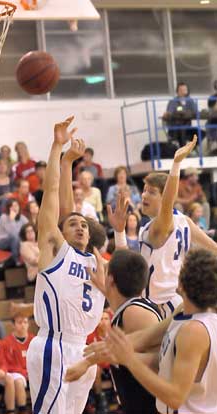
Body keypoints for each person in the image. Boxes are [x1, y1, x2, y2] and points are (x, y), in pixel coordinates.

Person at [26, 117, 105, 414]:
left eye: (84, 224)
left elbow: (70, 209)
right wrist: (58, 148)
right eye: (73, 224)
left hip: (83, 350)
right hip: (53, 346)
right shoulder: (56, 251)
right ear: (60, 231)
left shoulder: (94, 261)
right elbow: (53, 197)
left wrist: (71, 161)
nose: (81, 227)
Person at [110, 137, 217, 318]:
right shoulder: (184, 221)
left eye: (151, 192)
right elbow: (214, 248)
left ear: (165, 196)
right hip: (175, 301)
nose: (144, 195)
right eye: (144, 190)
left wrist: (176, 164)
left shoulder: (161, 225)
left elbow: (167, 203)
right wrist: (119, 231)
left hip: (160, 305)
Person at [104, 248, 217, 414]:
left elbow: (175, 397)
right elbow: (161, 353)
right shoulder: (187, 314)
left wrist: (131, 361)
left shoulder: (194, 331)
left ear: (182, 282)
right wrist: (112, 351)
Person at [65, 249, 162, 414]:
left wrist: (91, 360)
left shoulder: (135, 313)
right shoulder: (129, 307)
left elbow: (160, 363)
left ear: (110, 279)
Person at [3, 314, 34, 413]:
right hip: (15, 373)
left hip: (32, 373)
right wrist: (24, 373)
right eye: (20, 322)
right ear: (13, 325)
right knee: (19, 381)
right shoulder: (7, 342)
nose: (23, 325)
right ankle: (21, 410)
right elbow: (8, 365)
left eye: (25, 322)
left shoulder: (34, 340)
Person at [162, 82, 202, 146]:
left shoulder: (190, 101)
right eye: (181, 90)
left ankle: (190, 149)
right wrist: (167, 114)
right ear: (177, 92)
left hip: (187, 127)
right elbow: (168, 113)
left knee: (201, 133)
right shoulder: (173, 101)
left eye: (185, 90)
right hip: (175, 128)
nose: (184, 92)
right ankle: (183, 153)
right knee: (182, 130)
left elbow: (196, 112)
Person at [0, 199, 28, 266]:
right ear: (8, 208)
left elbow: (29, 229)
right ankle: (16, 260)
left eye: (16, 206)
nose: (14, 208)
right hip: (1, 242)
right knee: (14, 238)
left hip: (17, 242)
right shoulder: (3, 218)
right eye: (11, 206)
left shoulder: (22, 218)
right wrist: (12, 220)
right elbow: (13, 233)